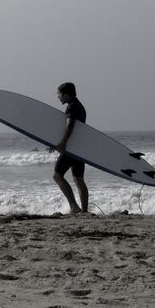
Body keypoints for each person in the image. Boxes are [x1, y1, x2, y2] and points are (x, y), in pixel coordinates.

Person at [52, 82, 88, 214]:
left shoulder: (72, 107)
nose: (58, 97)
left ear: (66, 94)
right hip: (80, 148)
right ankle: (84, 210)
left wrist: (63, 142)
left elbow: (70, 125)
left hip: (71, 148)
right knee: (79, 179)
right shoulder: (80, 106)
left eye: (59, 94)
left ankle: (74, 207)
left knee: (57, 175)